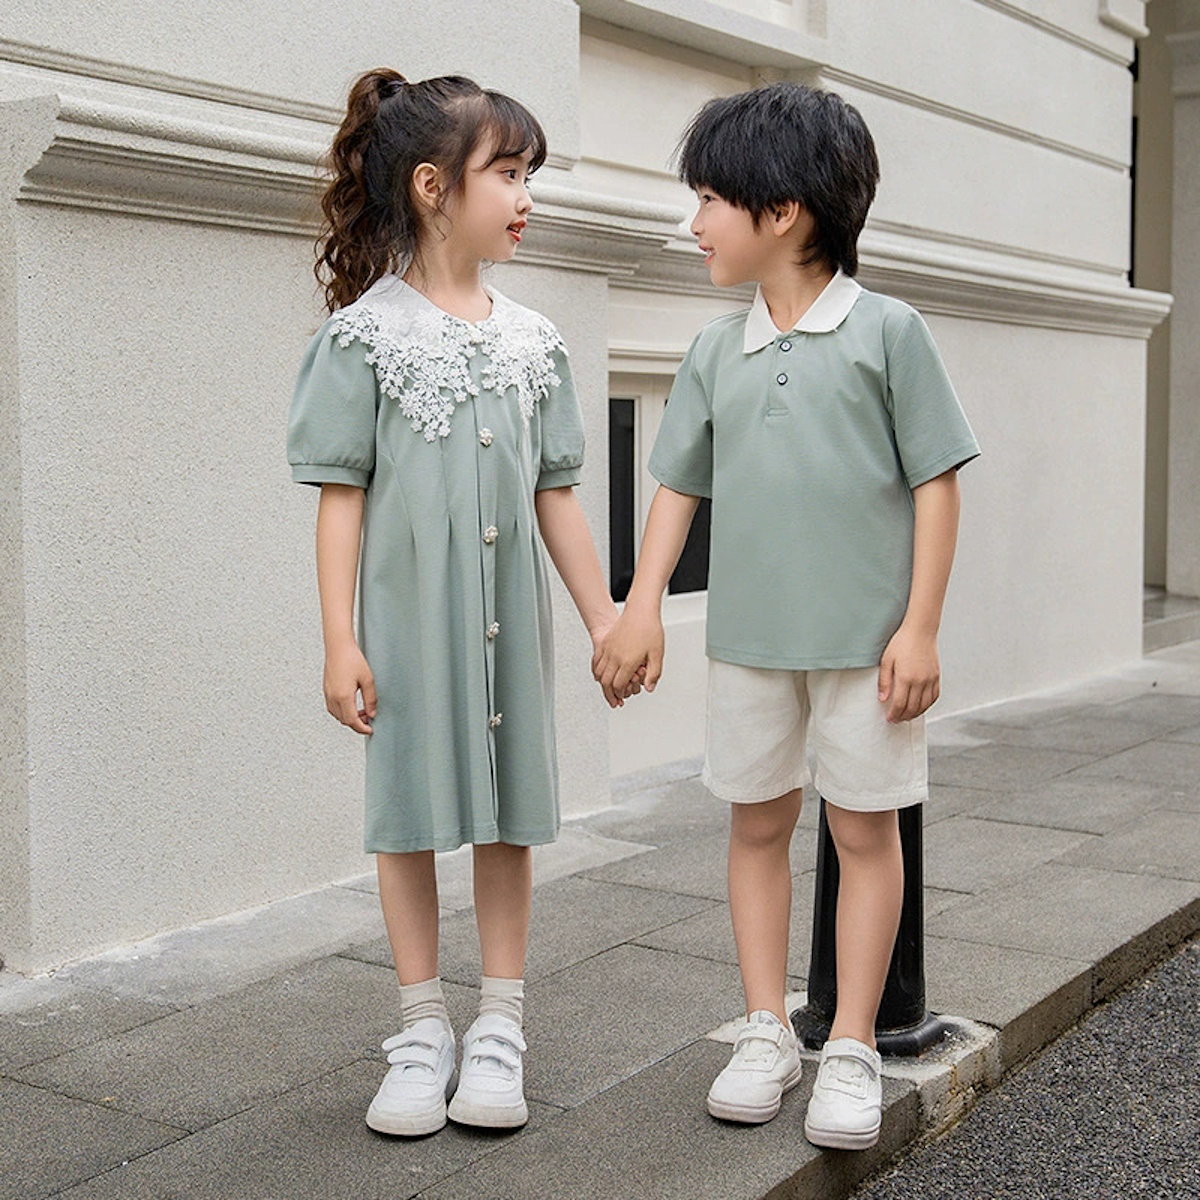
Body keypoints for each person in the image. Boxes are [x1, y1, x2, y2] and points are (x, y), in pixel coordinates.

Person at [594, 83, 979, 1149]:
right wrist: (636, 610)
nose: (693, 222)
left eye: (711, 198)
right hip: (752, 643)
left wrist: (922, 627)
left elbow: (937, 482)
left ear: (784, 213)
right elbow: (676, 487)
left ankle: (850, 1039)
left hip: (867, 646)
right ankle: (767, 1028)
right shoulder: (718, 351)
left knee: (864, 830)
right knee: (756, 823)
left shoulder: (890, 333)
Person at [288, 68, 623, 1138]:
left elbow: (556, 493)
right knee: (408, 819)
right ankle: (422, 1022)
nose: (527, 197)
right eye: (509, 174)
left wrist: (606, 618)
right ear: (434, 187)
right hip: (409, 624)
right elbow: (341, 501)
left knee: (508, 816)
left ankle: (500, 1025)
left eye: (532, 175)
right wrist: (340, 639)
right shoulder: (365, 339)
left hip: (504, 623)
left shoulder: (534, 340)